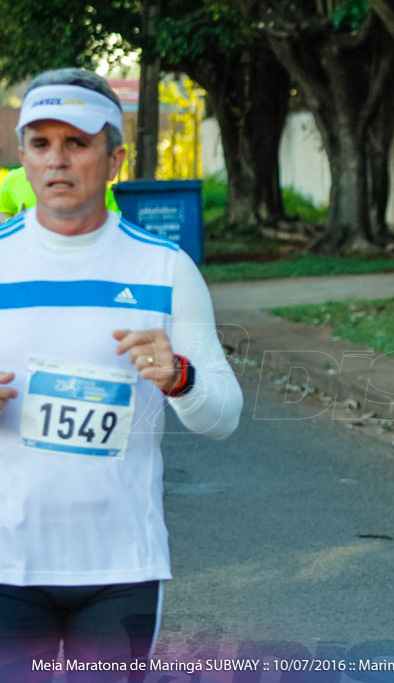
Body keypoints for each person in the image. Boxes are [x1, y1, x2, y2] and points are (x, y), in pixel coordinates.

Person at [0, 68, 243, 678]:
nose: (57, 160)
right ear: (22, 156)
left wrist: (180, 376)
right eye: (40, 143)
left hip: (119, 568)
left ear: (115, 159)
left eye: (77, 143)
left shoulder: (164, 268)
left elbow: (226, 414)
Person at [0, 165, 120, 222]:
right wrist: (12, 223)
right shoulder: (14, 179)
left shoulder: (93, 184)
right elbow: (3, 211)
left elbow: (115, 225)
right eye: (41, 144)